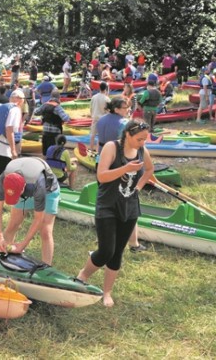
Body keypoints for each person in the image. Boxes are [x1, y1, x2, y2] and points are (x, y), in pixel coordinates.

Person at [76, 120, 155, 307]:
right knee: (106, 251)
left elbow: (150, 169)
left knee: (118, 252)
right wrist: (126, 169)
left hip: (130, 207)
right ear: (128, 134)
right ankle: (82, 276)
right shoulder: (112, 148)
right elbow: (101, 176)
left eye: (145, 139)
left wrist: (139, 187)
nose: (142, 142)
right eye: (139, 139)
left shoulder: (143, 151)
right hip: (108, 206)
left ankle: (107, 292)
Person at [96, 97, 147, 252]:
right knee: (127, 200)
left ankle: (108, 239)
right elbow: (127, 144)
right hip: (119, 161)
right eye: (125, 107)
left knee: (108, 197)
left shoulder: (101, 120)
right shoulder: (124, 123)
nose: (128, 110)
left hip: (102, 159)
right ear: (116, 108)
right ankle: (133, 243)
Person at [0, 156, 60, 265]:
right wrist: (0, 238)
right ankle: (4, 260)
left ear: (23, 188)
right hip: (22, 185)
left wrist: (23, 245)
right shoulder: (2, 181)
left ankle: (46, 268)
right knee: (13, 224)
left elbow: (38, 219)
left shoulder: (39, 185)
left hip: (48, 190)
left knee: (45, 231)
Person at [0, 90, 25, 214]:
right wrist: (13, 150)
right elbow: (9, 129)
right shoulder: (15, 110)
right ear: (19, 99)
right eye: (23, 99)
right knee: (3, 181)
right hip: (1, 150)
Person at [33, 90, 71, 155]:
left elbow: (36, 112)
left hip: (45, 132)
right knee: (55, 152)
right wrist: (68, 115)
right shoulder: (58, 107)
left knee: (45, 152)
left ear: (51, 96)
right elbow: (66, 119)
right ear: (59, 97)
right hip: (55, 133)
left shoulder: (44, 105)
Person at [89, 82, 111, 153]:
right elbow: (109, 111)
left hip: (95, 118)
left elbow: (91, 108)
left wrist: (92, 115)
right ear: (105, 89)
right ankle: (98, 150)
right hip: (103, 119)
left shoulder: (94, 97)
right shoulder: (107, 99)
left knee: (92, 135)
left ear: (99, 88)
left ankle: (91, 149)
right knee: (100, 136)